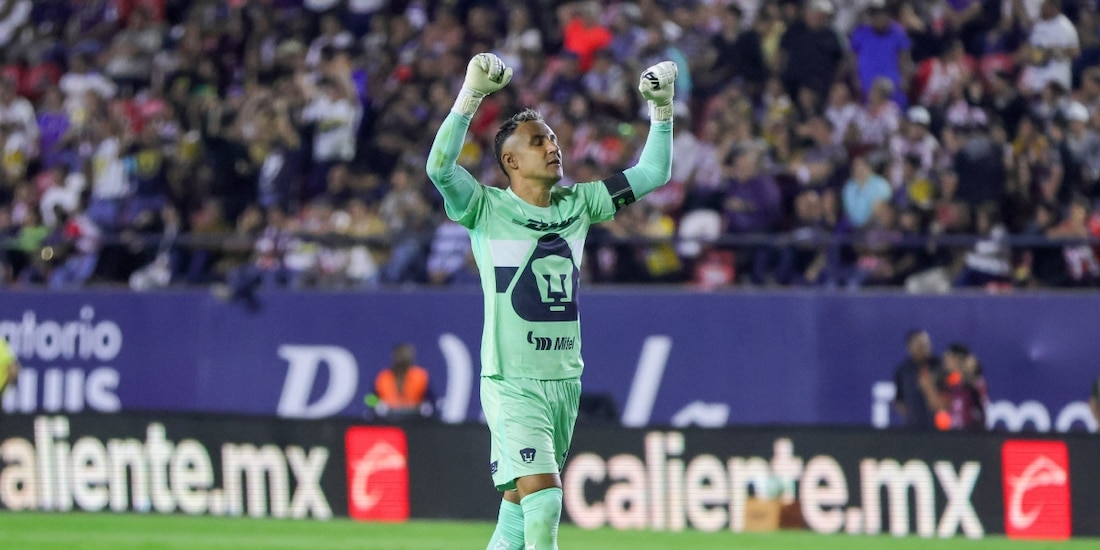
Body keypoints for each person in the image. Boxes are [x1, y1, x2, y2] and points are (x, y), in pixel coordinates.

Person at [426, 53, 675, 550]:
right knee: (545, 499)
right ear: (511, 161)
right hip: (513, 382)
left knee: (518, 515)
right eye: (538, 141)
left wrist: (662, 109)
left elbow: (654, 172)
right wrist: (471, 96)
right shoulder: (485, 207)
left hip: (564, 380)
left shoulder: (579, 203)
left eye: (554, 139)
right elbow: (439, 167)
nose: (553, 147)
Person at [892, 329, 942, 430]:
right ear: (910, 347)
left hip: (939, 428)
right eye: (920, 346)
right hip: (913, 427)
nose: (924, 349)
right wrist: (911, 417)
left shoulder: (939, 366)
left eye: (926, 345)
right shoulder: (903, 370)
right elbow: (899, 399)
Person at [372, 343, 432, 419]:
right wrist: (377, 404)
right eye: (400, 356)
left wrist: (425, 407)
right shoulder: (383, 377)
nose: (402, 359)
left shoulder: (420, 377)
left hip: (414, 419)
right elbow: (368, 398)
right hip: (388, 419)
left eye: (405, 357)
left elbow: (431, 400)